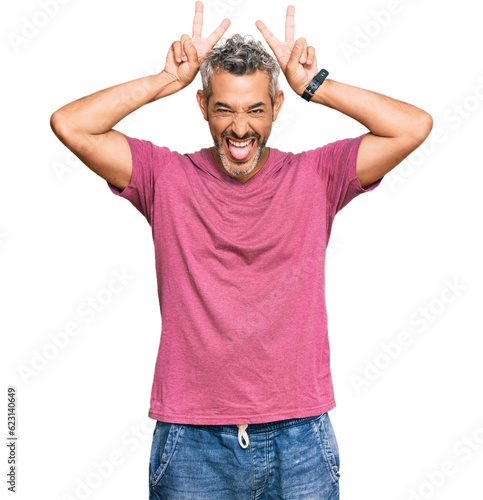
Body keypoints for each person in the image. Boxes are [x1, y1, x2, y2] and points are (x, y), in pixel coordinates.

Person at [50, 2, 432, 499]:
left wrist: (316, 85)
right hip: (191, 440)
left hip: (300, 437)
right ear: (204, 105)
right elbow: (70, 124)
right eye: (225, 107)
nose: (239, 127)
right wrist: (165, 81)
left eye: (255, 108)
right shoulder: (165, 177)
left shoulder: (317, 176)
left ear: (276, 107)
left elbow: (413, 126)